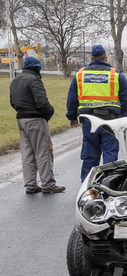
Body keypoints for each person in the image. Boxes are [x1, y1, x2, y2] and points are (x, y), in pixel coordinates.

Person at [66, 45, 127, 182]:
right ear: (106, 58)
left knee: (90, 154)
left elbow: (72, 99)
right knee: (109, 154)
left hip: (89, 122)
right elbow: (126, 100)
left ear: (91, 58)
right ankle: (108, 182)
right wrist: (125, 121)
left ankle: (88, 185)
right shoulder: (115, 75)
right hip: (110, 122)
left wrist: (72, 117)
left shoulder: (80, 75)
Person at [9, 56, 66, 194]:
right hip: (36, 120)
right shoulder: (34, 80)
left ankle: (30, 184)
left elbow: (12, 102)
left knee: (27, 153)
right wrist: (49, 112)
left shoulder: (15, 81)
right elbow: (41, 102)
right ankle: (48, 184)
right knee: (43, 152)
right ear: (36, 68)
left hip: (21, 119)